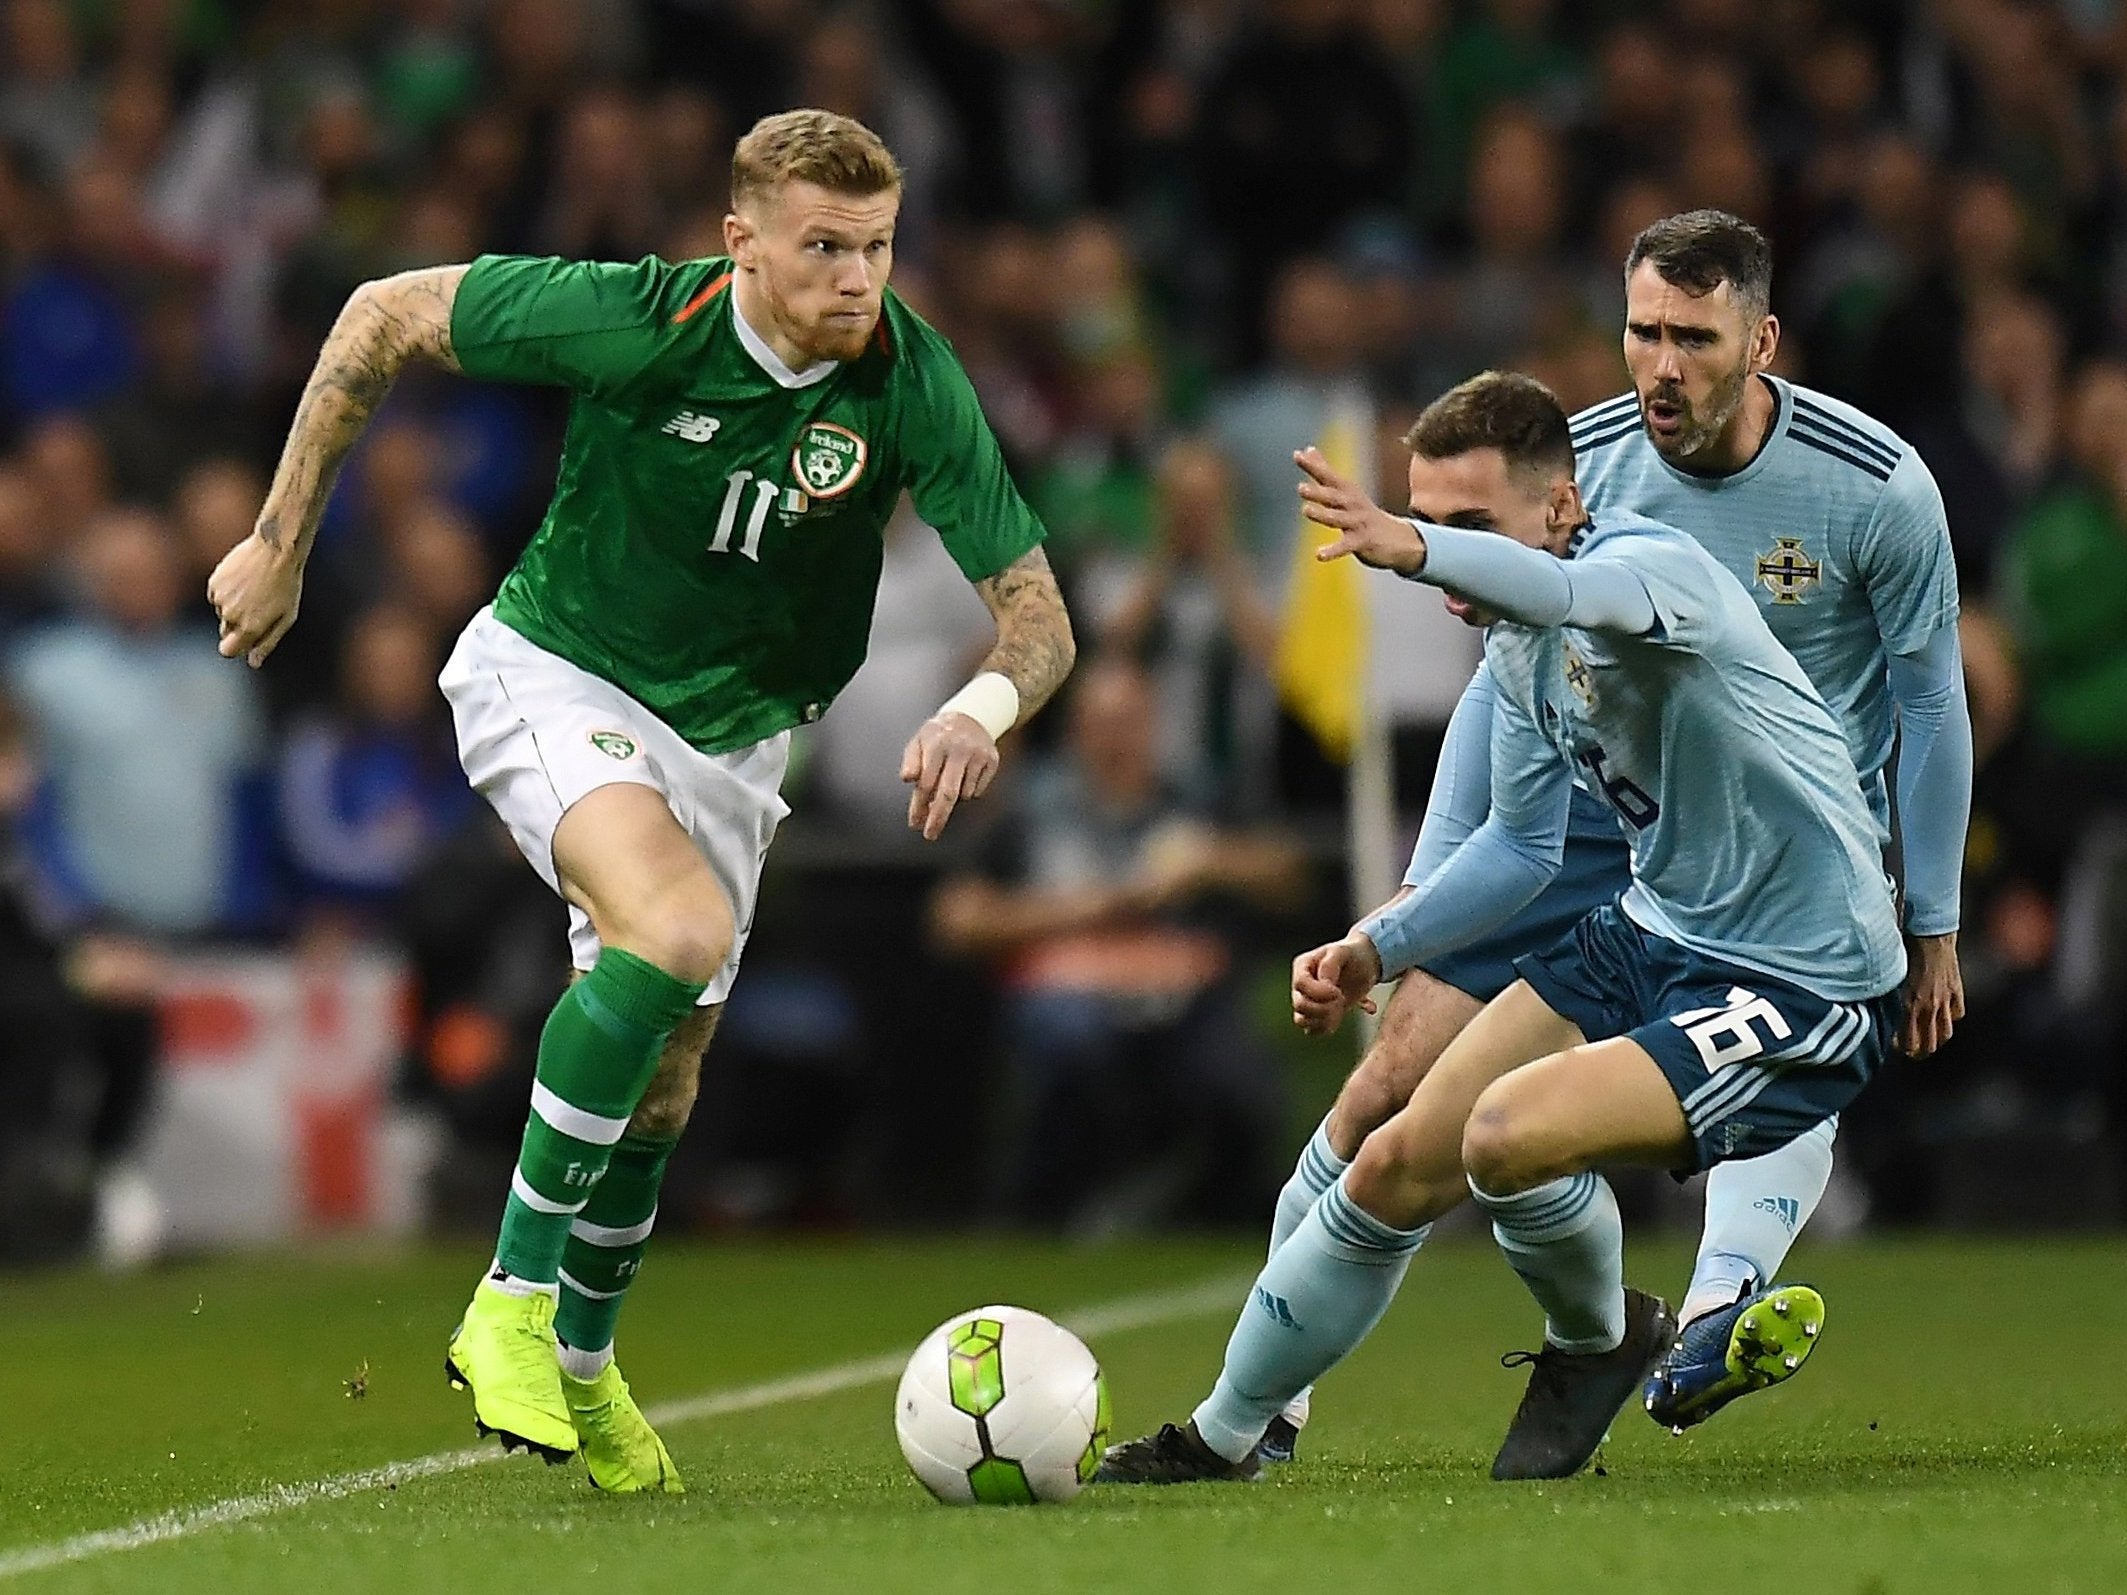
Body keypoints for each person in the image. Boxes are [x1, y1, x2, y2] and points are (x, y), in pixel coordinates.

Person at [207, 109, 1075, 1493]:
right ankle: (509, 1298)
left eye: (876, 247)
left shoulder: (910, 377)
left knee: (664, 1083)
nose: (857, 277)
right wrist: (278, 542)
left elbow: (1038, 621)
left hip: (733, 743)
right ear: (741, 246)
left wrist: (975, 712)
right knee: (668, 932)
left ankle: (585, 1364)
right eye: (823, 247)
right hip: (558, 672)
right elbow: (382, 314)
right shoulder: (635, 320)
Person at [1241, 210, 1970, 1464]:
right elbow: (1502, 673)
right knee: (1390, 1078)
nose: (1661, 366)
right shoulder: (1577, 462)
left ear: (1763, 342)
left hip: (1791, 839)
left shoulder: (1875, 485)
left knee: (1745, 1044)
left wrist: (1935, 914)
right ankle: (1262, 1409)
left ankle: (1706, 1302)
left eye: (1695, 338)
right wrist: (1414, 897)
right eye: (1643, 332)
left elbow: (1931, 701)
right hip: (1600, 805)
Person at [1099, 371, 1906, 1487]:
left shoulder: (1654, 569)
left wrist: (1410, 548)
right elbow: (1520, 847)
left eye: (1469, 525)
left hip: (1798, 972)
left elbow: (1574, 595)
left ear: (1562, 506)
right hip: (1651, 932)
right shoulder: (1519, 648)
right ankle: (1222, 1435)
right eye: (1426, 519)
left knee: (1500, 1133)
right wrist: (1376, 945)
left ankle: (1659, 1312)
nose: (1441, 555)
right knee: (1390, 1159)